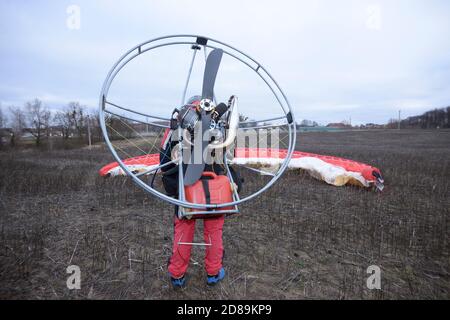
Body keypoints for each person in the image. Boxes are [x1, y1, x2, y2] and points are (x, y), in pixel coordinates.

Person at [159, 96, 241, 288]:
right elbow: (228, 159)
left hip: (186, 191)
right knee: (213, 233)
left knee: (183, 231)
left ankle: (177, 275)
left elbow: (164, 161)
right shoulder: (218, 130)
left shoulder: (175, 130)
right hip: (215, 192)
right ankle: (213, 272)